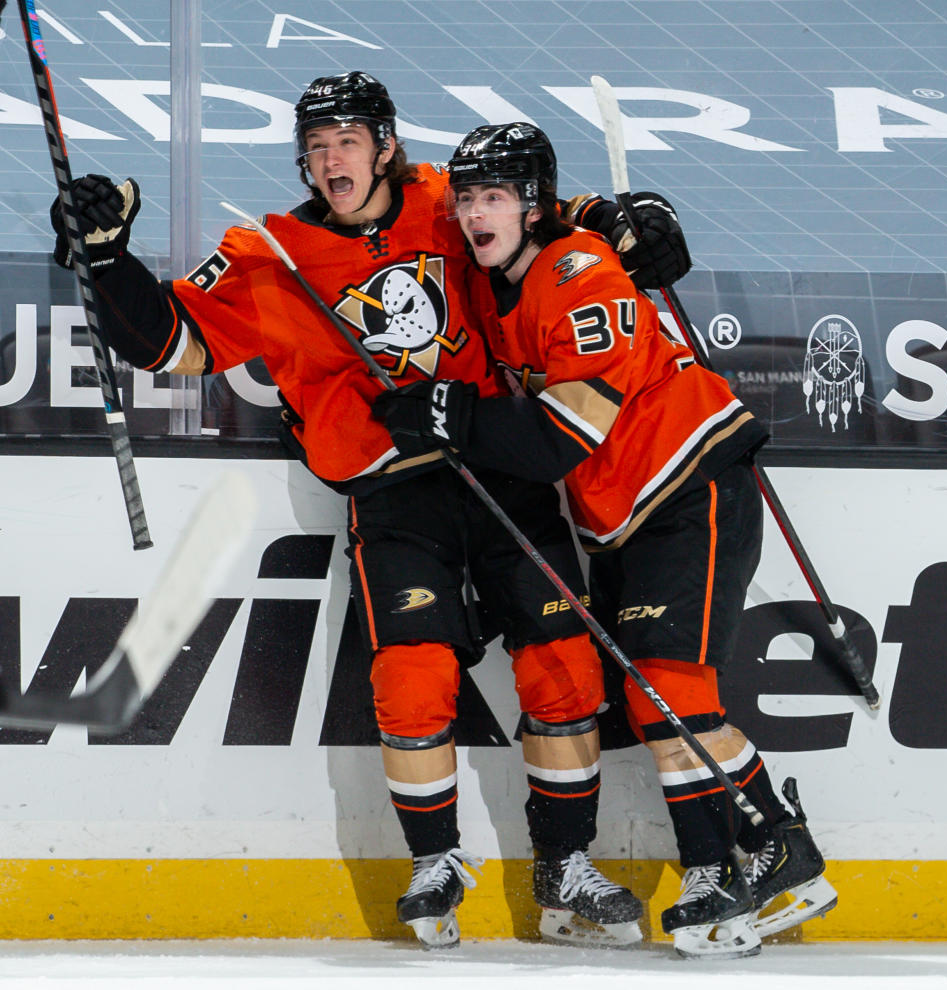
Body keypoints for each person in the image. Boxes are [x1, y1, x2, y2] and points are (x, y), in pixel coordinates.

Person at [48, 74, 658, 949]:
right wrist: (107, 258)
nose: (331, 157)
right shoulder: (271, 252)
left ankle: (565, 868)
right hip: (392, 491)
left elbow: (546, 214)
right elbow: (173, 343)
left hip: (500, 465)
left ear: (385, 144)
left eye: (348, 139)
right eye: (316, 143)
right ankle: (433, 860)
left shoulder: (449, 203)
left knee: (563, 665)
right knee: (412, 676)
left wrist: (634, 223)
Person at [372, 121, 839, 959]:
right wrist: (612, 207)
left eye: (496, 197)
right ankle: (736, 863)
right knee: (656, 696)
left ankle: (768, 849)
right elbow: (427, 196)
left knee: (668, 684)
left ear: (534, 203)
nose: (476, 213)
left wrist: (447, 414)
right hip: (626, 511)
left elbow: (559, 434)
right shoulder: (504, 268)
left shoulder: (579, 274)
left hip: (689, 485)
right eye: (470, 198)